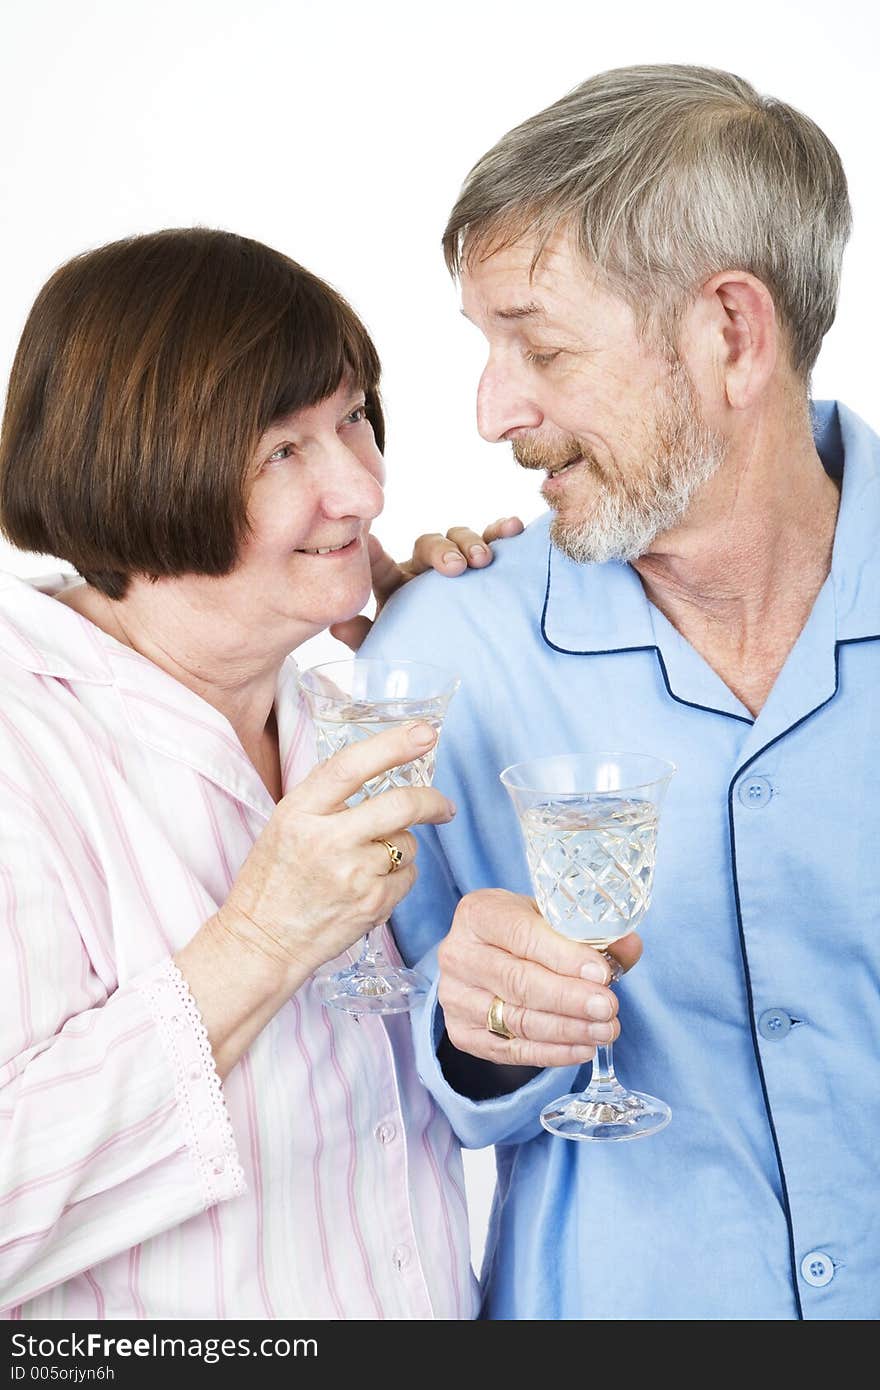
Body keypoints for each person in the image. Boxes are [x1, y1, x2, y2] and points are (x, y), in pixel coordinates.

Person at [362, 64, 878, 1319]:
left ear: (730, 336)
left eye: (538, 346)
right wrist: (468, 1033)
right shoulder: (444, 654)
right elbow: (363, 1099)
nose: (493, 410)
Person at [0, 227, 523, 1319]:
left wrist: (467, 634)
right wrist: (257, 946)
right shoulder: (22, 744)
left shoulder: (348, 704)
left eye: (354, 422)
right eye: (283, 450)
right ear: (137, 461)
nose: (362, 491)